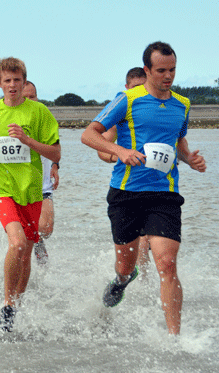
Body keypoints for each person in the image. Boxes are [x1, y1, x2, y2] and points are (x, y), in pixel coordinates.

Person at [81, 42, 206, 335]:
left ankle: (175, 338)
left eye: (172, 70)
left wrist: (191, 160)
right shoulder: (127, 99)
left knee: (167, 262)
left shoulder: (183, 104)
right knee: (125, 265)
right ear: (147, 70)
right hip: (126, 193)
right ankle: (122, 280)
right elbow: (89, 135)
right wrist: (120, 152)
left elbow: (180, 145)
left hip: (165, 194)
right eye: (161, 70)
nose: (168, 76)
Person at [0, 57, 61, 331]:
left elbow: (56, 153)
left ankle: (16, 307)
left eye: (17, 80)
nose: (12, 85)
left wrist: (27, 140)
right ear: (0, 83)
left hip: (32, 191)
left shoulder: (39, 113)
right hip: (3, 188)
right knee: (18, 244)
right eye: (7, 81)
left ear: (24, 83)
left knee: (27, 252)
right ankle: (7, 304)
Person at [96, 67, 151, 273]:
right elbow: (101, 148)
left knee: (156, 245)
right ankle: (135, 282)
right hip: (129, 185)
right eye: (134, 87)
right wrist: (120, 154)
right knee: (137, 243)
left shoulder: (158, 107)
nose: (139, 91)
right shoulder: (122, 110)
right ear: (127, 88)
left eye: (142, 87)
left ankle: (149, 285)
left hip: (159, 186)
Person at [21, 81, 61, 266]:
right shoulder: (8, 119)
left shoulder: (44, 117)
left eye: (33, 96)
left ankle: (37, 239)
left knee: (46, 228)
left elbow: (55, 147)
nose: (30, 100)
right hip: (17, 185)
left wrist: (55, 165)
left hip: (42, 183)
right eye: (25, 97)